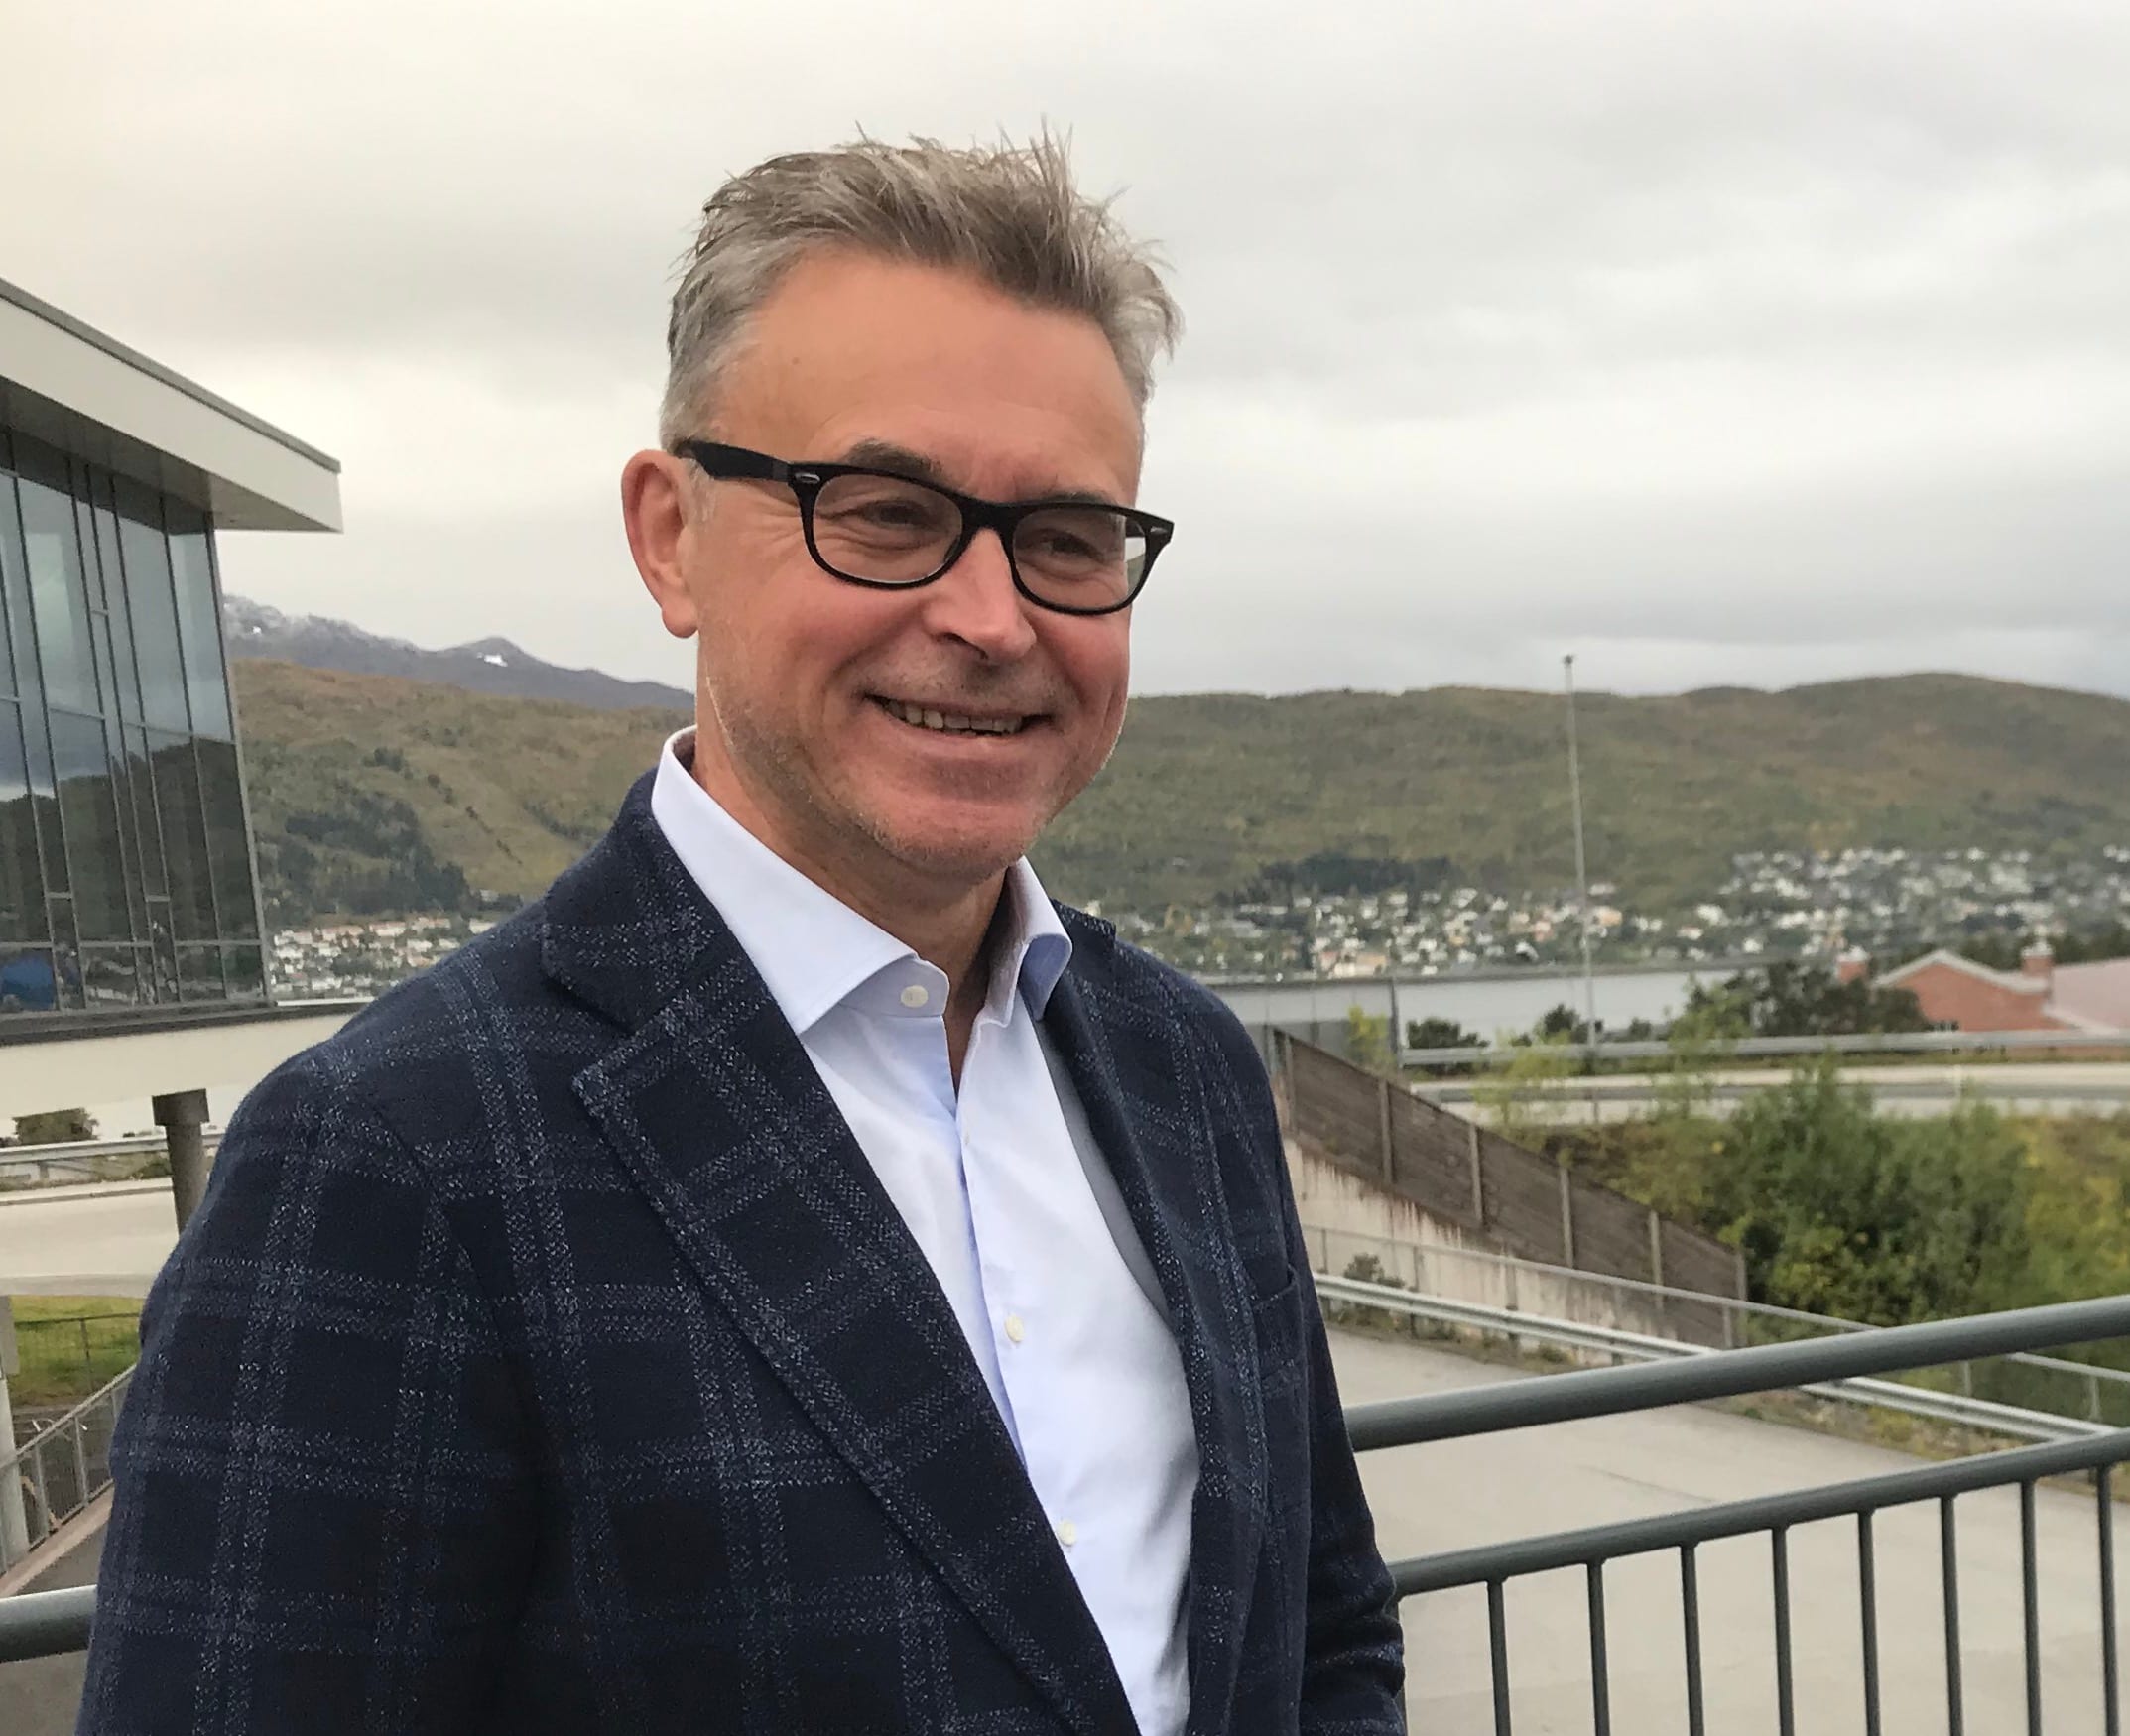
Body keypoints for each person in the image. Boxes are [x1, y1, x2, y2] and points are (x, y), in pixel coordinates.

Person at [79, 136, 1404, 1734]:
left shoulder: (1184, 1067)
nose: (993, 619)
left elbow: (1325, 1631)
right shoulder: (393, 1156)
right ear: (671, 536)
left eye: (1066, 536)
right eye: (888, 512)